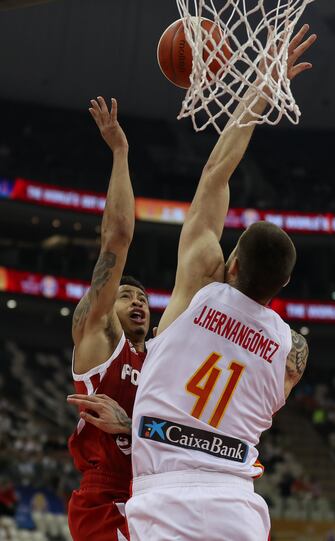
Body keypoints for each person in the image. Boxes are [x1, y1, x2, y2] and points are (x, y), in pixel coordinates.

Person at [124, 25, 316, 541]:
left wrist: (262, 87)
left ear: (230, 262)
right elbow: (284, 381)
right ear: (283, 286)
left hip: (165, 499)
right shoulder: (285, 348)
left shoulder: (199, 288)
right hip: (237, 508)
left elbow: (215, 174)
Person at [66, 97, 150, 541]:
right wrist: (120, 153)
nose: (137, 301)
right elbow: (116, 237)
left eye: (142, 297)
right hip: (107, 499)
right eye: (125, 296)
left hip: (156, 490)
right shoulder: (101, 336)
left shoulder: (159, 355)